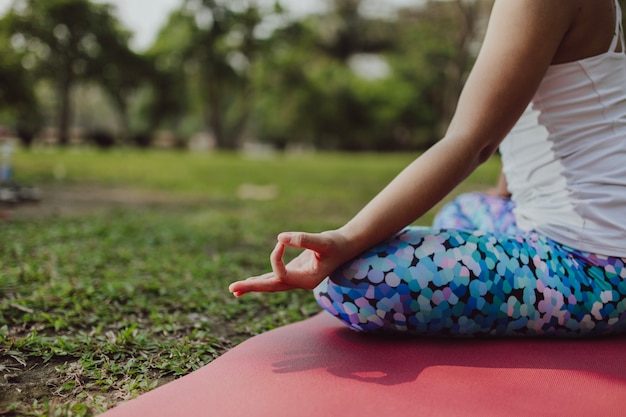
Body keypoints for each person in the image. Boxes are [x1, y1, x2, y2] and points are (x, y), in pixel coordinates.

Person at [229, 0, 626, 337]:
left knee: (354, 280)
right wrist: (505, 192)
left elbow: (471, 142)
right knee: (462, 211)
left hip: (598, 267)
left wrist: (347, 239)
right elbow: (538, 121)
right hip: (562, 230)